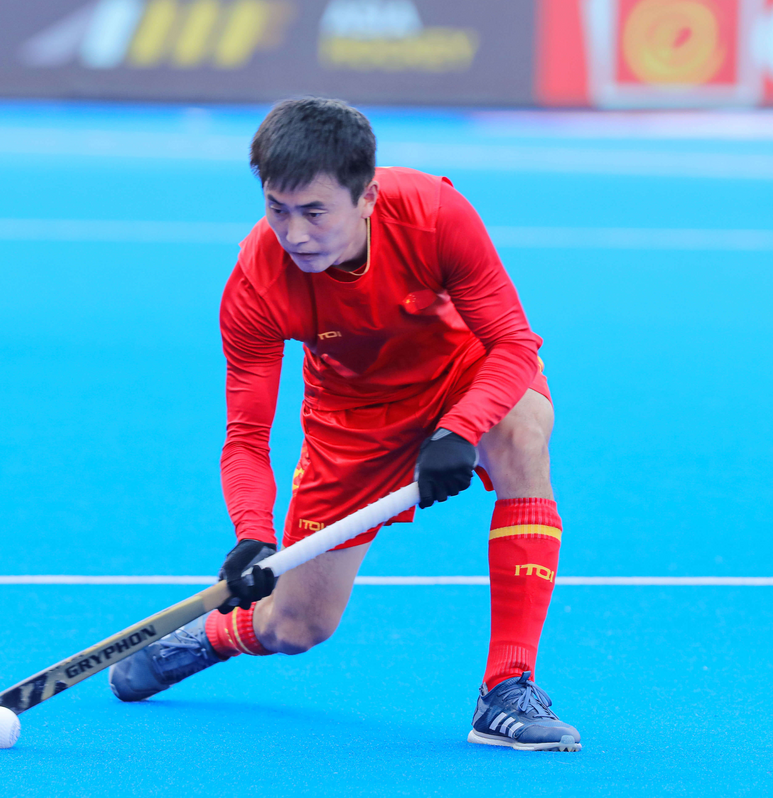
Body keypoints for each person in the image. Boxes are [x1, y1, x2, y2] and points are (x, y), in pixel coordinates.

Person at [109, 98, 580, 752]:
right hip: (352, 421)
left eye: (314, 211)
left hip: (463, 374)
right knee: (298, 626)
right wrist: (251, 536)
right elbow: (245, 438)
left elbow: (513, 344)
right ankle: (214, 636)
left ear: (367, 197)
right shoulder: (255, 283)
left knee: (522, 430)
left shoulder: (435, 215)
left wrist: (460, 429)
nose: (294, 233)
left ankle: (507, 688)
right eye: (277, 209)